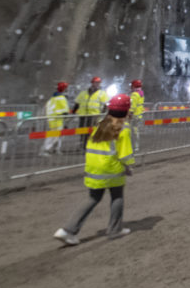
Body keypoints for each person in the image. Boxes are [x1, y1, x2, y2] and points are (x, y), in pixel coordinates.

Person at [53, 93, 136, 245]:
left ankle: (67, 230)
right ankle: (114, 230)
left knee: (93, 198)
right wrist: (128, 166)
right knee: (117, 196)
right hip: (111, 168)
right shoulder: (123, 129)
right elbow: (125, 155)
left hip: (93, 166)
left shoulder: (101, 123)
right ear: (126, 110)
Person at [73, 76, 107, 148]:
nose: (97, 84)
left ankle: (90, 146)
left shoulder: (102, 93)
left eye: (98, 83)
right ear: (92, 83)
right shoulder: (83, 93)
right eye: (96, 83)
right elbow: (77, 103)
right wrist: (73, 112)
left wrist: (102, 114)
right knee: (82, 131)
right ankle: (83, 145)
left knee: (91, 131)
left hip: (94, 115)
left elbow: (105, 105)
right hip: (83, 115)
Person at [41, 81, 70, 156]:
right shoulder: (61, 98)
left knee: (58, 135)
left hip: (52, 119)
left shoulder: (52, 98)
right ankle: (45, 150)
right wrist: (67, 119)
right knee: (53, 136)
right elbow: (65, 111)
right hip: (57, 120)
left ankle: (56, 149)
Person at [129, 79, 145, 146]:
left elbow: (133, 106)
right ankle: (136, 145)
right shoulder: (141, 93)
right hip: (139, 115)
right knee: (136, 130)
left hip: (134, 115)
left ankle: (132, 145)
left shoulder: (135, 94)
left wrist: (130, 114)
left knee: (131, 131)